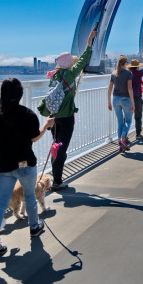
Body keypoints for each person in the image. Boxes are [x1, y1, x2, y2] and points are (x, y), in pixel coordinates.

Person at [0, 78, 55, 255]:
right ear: (20, 94)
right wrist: (46, 124)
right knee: (30, 196)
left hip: (5, 165)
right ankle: (34, 227)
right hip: (24, 163)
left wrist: (5, 155)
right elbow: (34, 137)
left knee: (1, 203)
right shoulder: (28, 114)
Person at [38, 27, 97, 191]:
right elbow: (83, 60)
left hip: (53, 118)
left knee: (56, 146)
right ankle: (57, 181)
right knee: (61, 149)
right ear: (69, 63)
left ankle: (55, 177)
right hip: (66, 118)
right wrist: (89, 41)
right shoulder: (70, 74)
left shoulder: (54, 75)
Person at [107, 56, 135, 152]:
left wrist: (109, 102)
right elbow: (130, 89)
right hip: (126, 99)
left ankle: (120, 146)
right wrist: (133, 103)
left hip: (115, 100)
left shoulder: (113, 73)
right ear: (125, 63)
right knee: (128, 121)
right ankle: (123, 138)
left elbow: (109, 89)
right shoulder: (128, 73)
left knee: (119, 122)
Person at [128, 57, 143, 141]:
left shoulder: (128, 74)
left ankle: (124, 136)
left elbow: (131, 87)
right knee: (138, 117)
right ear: (137, 66)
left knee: (127, 118)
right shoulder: (139, 73)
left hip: (129, 99)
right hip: (137, 98)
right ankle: (138, 134)